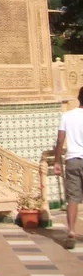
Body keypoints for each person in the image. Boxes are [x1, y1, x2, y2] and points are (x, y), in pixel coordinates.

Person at [53, 86, 83, 248]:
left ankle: (71, 231)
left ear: (79, 98)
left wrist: (57, 161)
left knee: (72, 198)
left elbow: (60, 141)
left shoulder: (67, 116)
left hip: (72, 160)